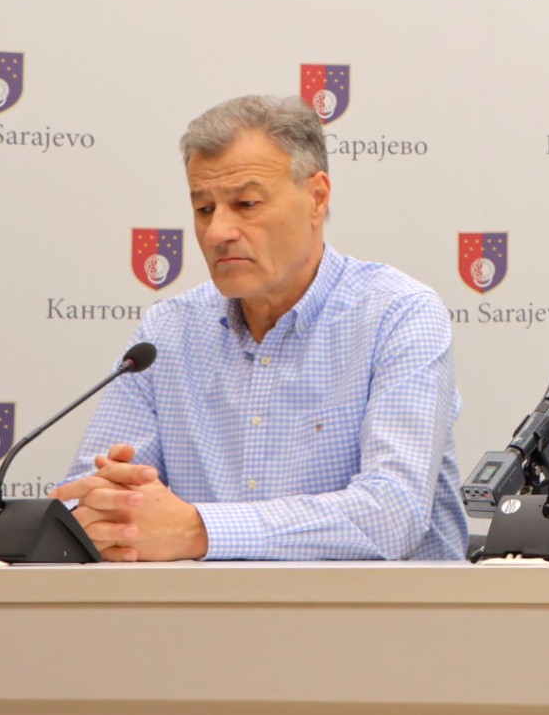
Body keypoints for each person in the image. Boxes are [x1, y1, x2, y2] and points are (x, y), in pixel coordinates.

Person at [55, 95, 465, 561]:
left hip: (374, 608)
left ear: (317, 197)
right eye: (204, 209)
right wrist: (105, 511)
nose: (217, 233)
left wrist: (198, 529)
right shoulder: (167, 330)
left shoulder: (398, 314)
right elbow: (82, 499)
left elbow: (393, 513)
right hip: (199, 609)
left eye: (245, 204)